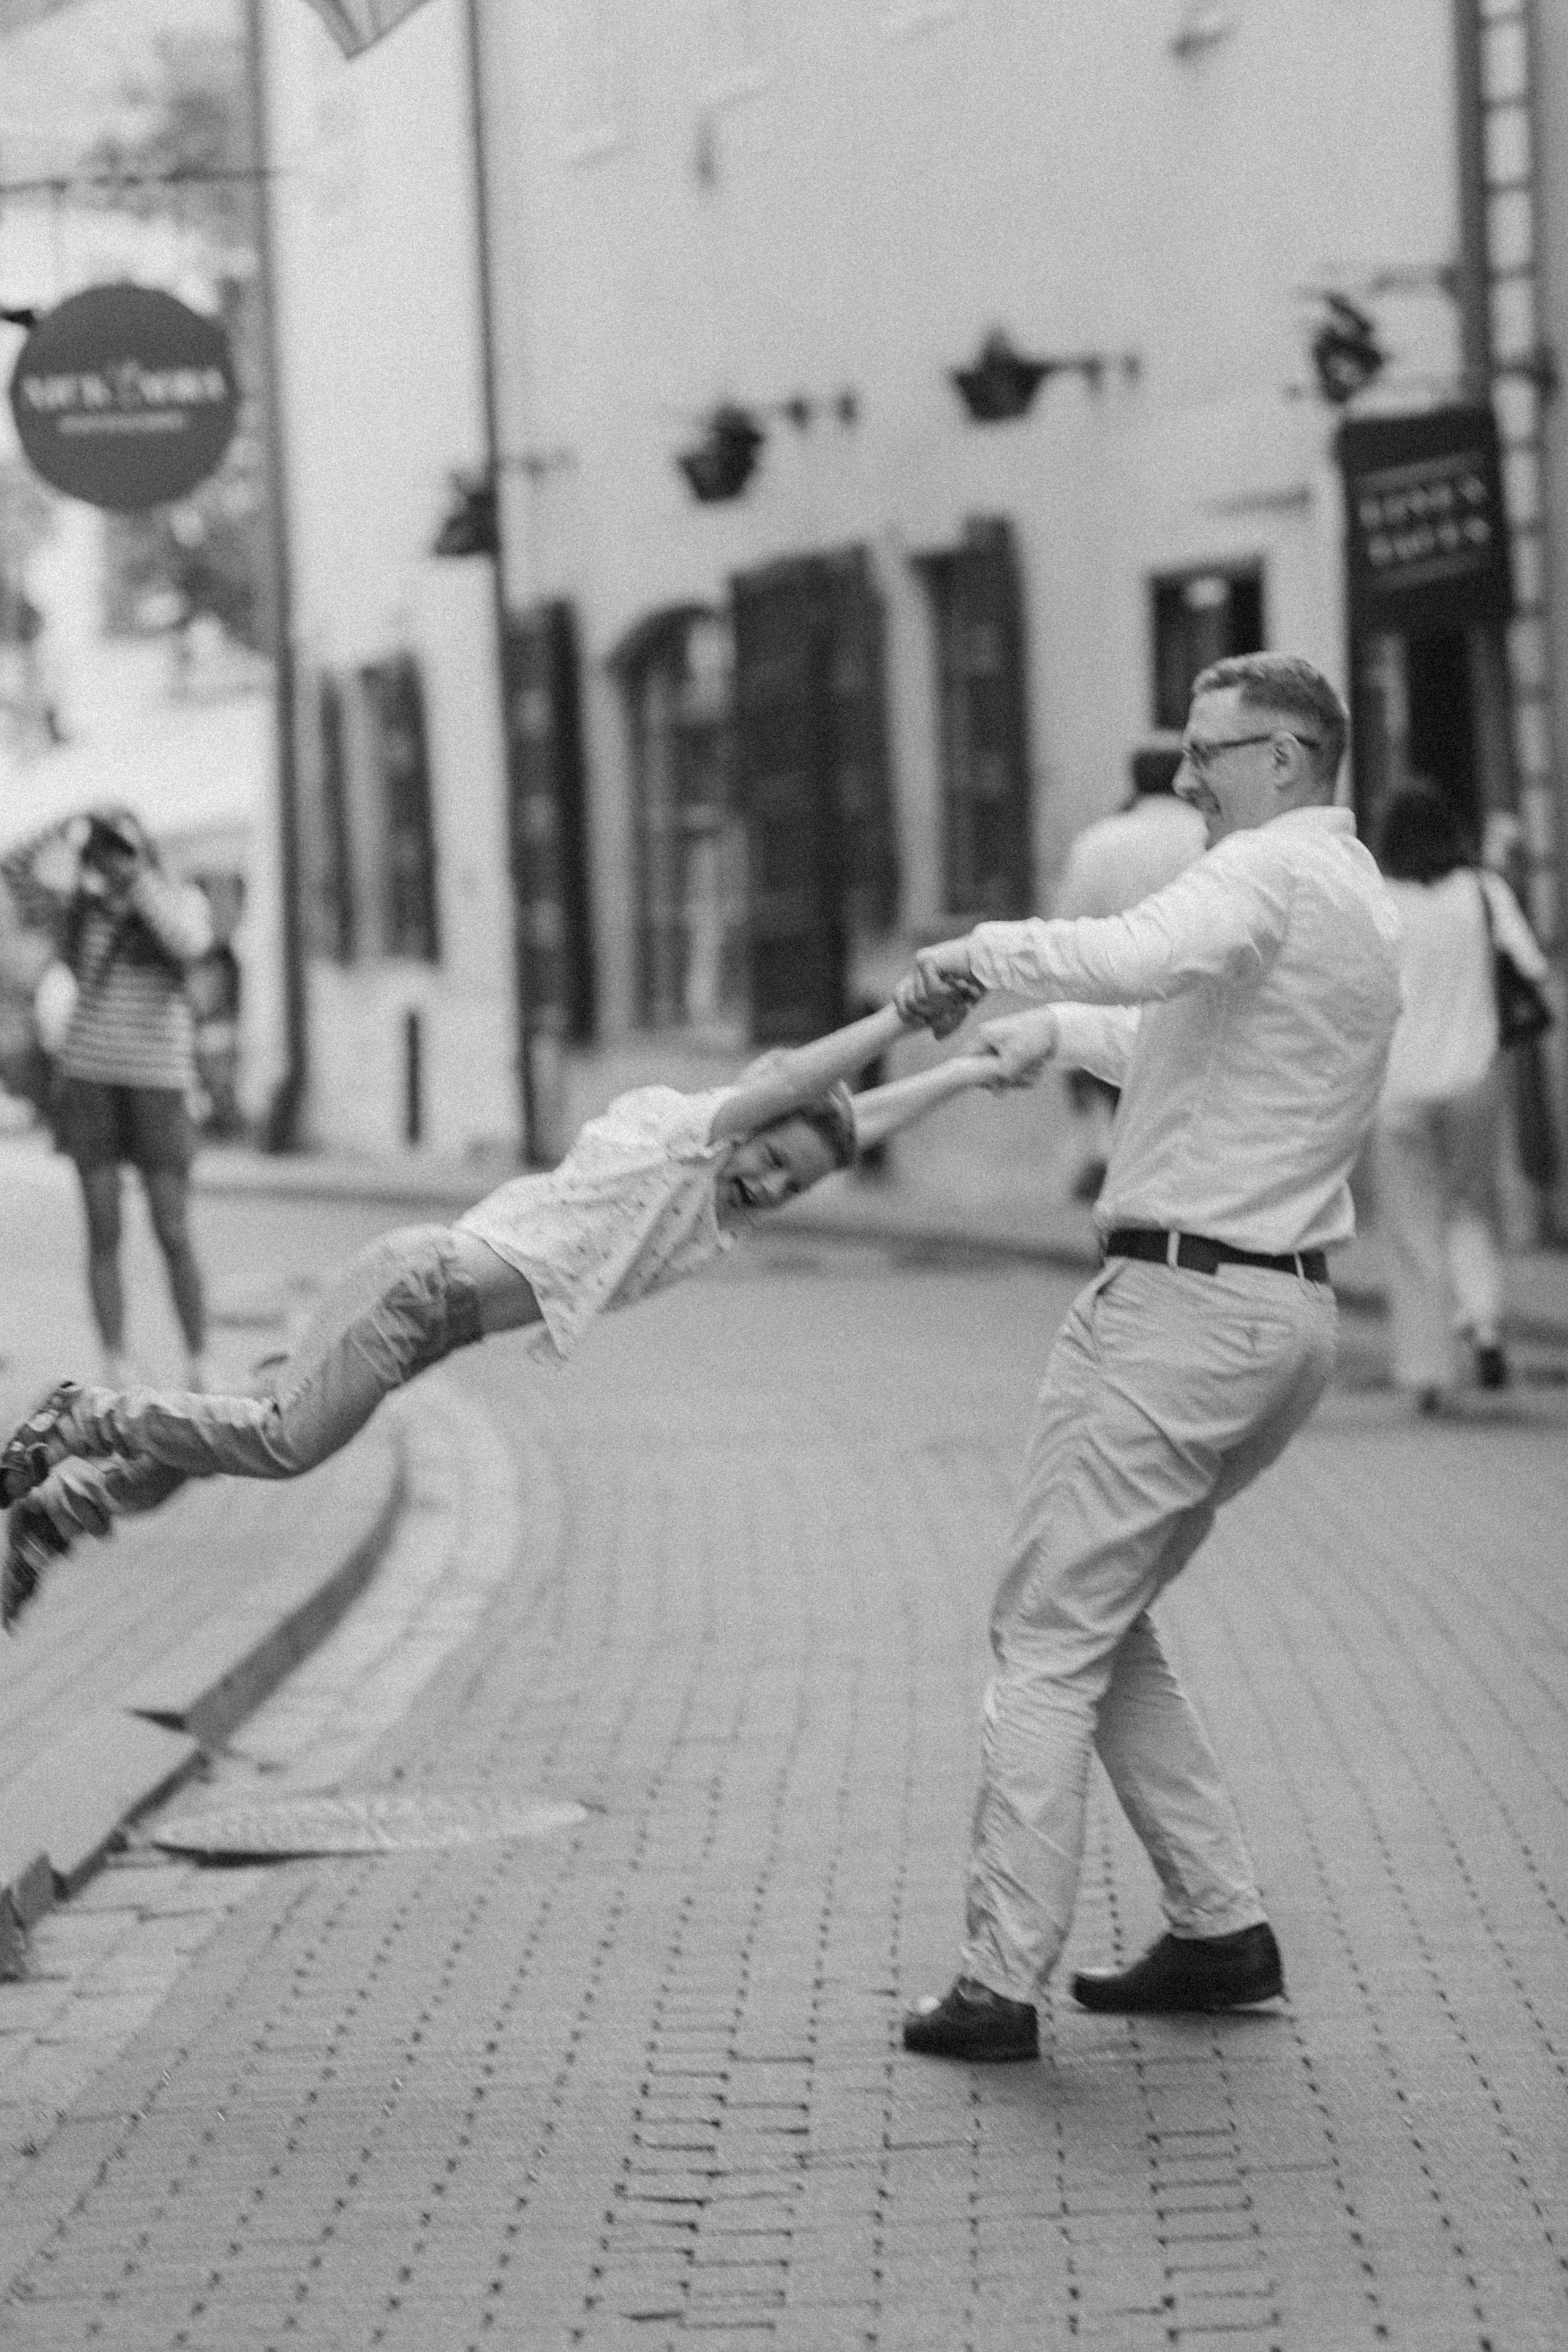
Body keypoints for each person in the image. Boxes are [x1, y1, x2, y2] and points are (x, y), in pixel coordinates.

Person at [892, 652, 1403, 2063]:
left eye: (1207, 750)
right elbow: (1180, 1032)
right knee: (1100, 1617)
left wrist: (979, 955)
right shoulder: (1345, 894)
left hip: (1180, 1307)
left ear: (1286, 757)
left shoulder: (1261, 874)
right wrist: (1048, 1031)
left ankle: (999, 1983)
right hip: (1276, 1315)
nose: (1183, 776)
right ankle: (1216, 1928)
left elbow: (1133, 951)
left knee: (1043, 1636)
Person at [2, 998, 1044, 1629]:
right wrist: (906, 1021)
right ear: (744, 1132)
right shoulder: (678, 1143)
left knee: (243, 1421)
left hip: (431, 1312)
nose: (769, 1188)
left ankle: (56, 1516)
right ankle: (80, 1417)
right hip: (419, 1289)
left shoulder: (713, 1212)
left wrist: (961, 1073)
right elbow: (802, 1081)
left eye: (789, 1188)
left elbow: (849, 1122)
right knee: (283, 1442)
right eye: (768, 1163)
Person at [1371, 782, 1551, 1411]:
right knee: (1471, 1208)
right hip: (1473, 1077)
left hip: (1397, 1087)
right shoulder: (1483, 891)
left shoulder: (1377, 902)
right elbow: (1530, 968)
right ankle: (1483, 1324)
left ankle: (1426, 1373)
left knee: (1412, 1227)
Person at [30, 806, 216, 1390]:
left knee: (172, 1228)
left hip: (159, 1083)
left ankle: (200, 1360)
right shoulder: (80, 912)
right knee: (103, 1226)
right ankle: (115, 1360)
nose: (112, 857)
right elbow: (13, 876)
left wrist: (136, 879)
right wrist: (66, 827)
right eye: (106, 848)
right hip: (91, 1082)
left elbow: (189, 946)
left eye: (124, 846)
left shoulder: (175, 900)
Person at [1053, 742, 1205, 1199]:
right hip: (1195, 1008)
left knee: (1130, 1150)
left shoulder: (1100, 841)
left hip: (1118, 1011)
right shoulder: (1208, 836)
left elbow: (1070, 934)